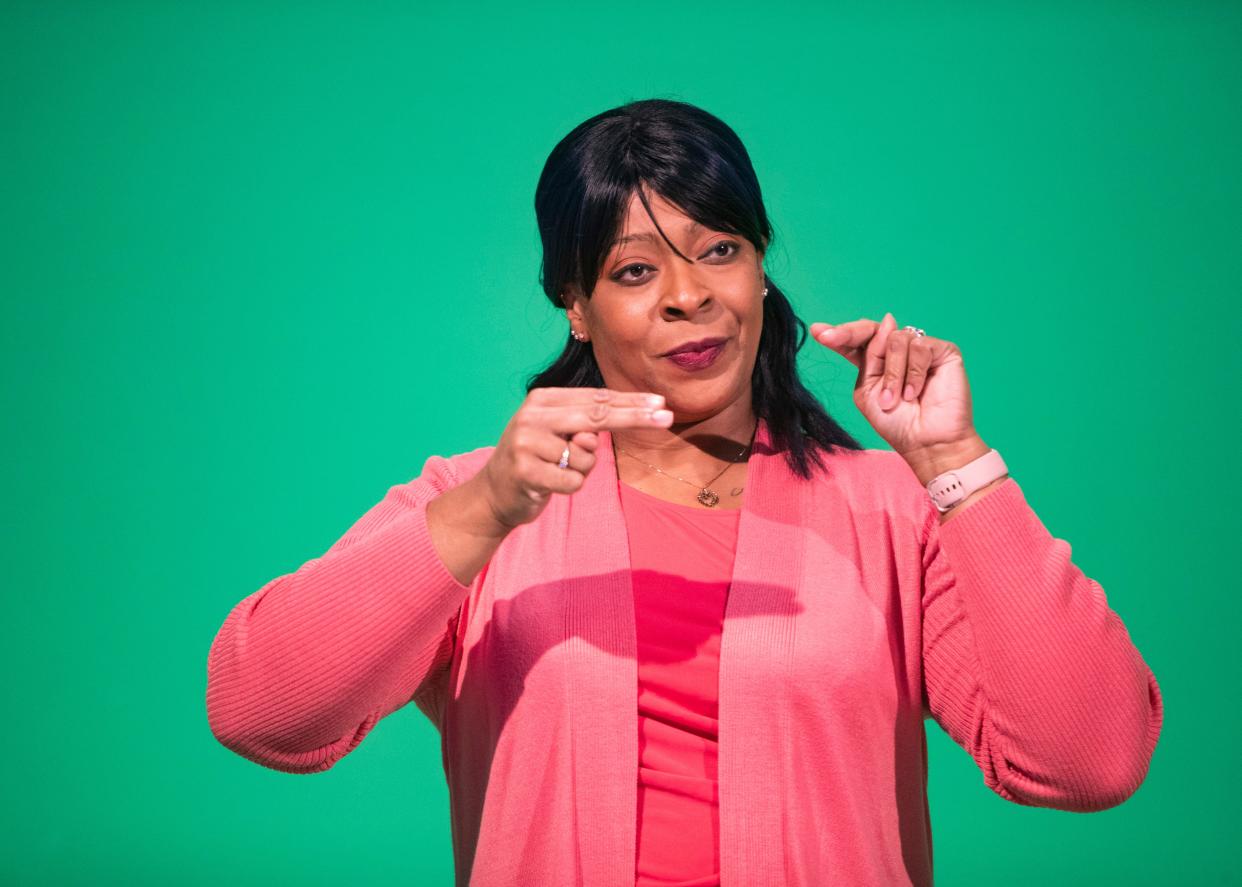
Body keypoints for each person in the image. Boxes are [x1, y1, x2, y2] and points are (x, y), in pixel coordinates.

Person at [205, 98, 1163, 887]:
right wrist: (487, 509)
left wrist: (955, 459)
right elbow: (263, 710)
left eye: (719, 251)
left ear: (758, 267)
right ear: (574, 304)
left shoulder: (889, 509)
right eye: (633, 270)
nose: (687, 295)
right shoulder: (479, 503)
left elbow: (1089, 760)